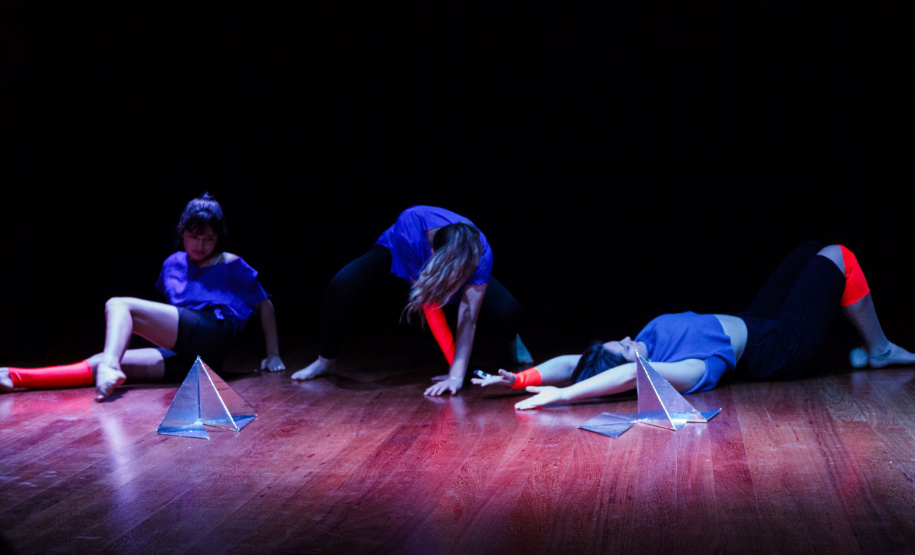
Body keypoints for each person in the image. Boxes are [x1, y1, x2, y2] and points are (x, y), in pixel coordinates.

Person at [473, 241, 915, 410]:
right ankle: (879, 351)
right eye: (626, 347)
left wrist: (522, 380)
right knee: (838, 258)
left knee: (807, 252)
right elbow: (624, 373)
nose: (630, 340)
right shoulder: (679, 372)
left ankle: (872, 349)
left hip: (754, 318)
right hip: (782, 345)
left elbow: (579, 361)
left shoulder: (643, 346)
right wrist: (562, 396)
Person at [0, 193, 285, 401]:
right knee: (103, 358)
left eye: (208, 238)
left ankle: (110, 367)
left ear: (217, 238)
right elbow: (175, 319)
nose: (201, 244)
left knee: (118, 305)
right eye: (195, 236)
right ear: (182, 232)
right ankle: (13, 375)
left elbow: (265, 305)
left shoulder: (229, 263)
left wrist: (273, 355)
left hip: (214, 336)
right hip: (194, 359)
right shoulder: (172, 264)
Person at [292, 205, 532, 396]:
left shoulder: (480, 252)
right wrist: (455, 365)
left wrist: (456, 375)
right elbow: (429, 305)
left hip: (456, 258)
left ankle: (512, 342)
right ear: (435, 259)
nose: (459, 284)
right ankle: (326, 361)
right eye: (456, 277)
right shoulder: (410, 229)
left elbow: (468, 318)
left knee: (510, 311)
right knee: (341, 284)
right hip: (398, 244)